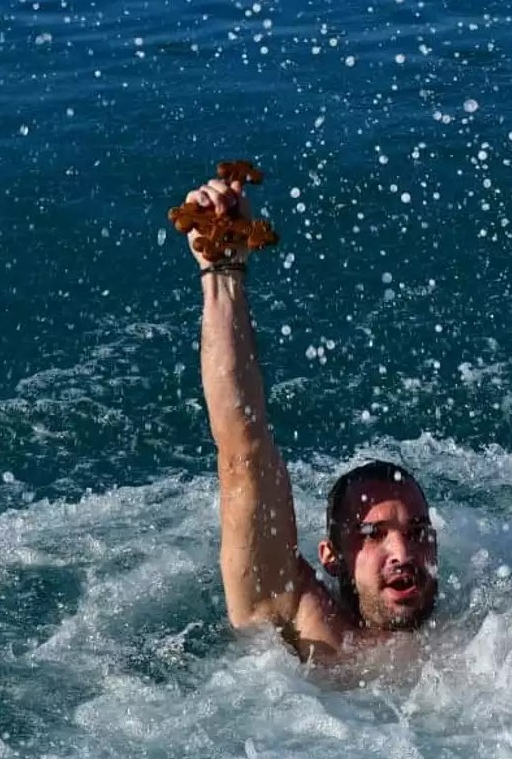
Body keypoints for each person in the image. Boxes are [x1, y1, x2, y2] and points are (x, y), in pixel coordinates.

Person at [182, 173, 440, 663]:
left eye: (417, 530)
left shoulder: (486, 640)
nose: (403, 553)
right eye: (373, 534)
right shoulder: (306, 624)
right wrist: (223, 275)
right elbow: (244, 454)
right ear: (331, 556)